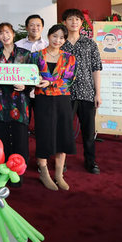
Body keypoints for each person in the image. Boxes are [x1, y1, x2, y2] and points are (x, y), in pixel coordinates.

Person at [31, 24, 76, 191]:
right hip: (43, 100)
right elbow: (30, 76)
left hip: (63, 100)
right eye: (55, 36)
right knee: (44, 134)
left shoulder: (69, 58)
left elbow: (69, 80)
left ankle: (59, 175)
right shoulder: (36, 56)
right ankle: (44, 173)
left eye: (62, 37)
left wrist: (50, 82)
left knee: (62, 135)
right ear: (48, 36)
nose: (58, 40)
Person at [0, 22, 33, 184]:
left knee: (20, 139)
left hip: (19, 103)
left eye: (7, 32)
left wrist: (25, 86)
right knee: (1, 139)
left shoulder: (25, 54)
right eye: (0, 33)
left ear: (13, 34)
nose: (4, 36)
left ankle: (18, 173)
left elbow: (32, 78)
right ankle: (2, 173)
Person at [61, 8, 103, 175]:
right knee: (64, 129)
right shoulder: (60, 43)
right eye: (70, 19)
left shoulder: (90, 43)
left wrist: (97, 93)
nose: (74, 22)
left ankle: (90, 161)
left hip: (87, 93)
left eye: (77, 19)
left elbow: (96, 68)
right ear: (64, 22)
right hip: (64, 93)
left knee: (88, 131)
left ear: (81, 22)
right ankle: (61, 161)